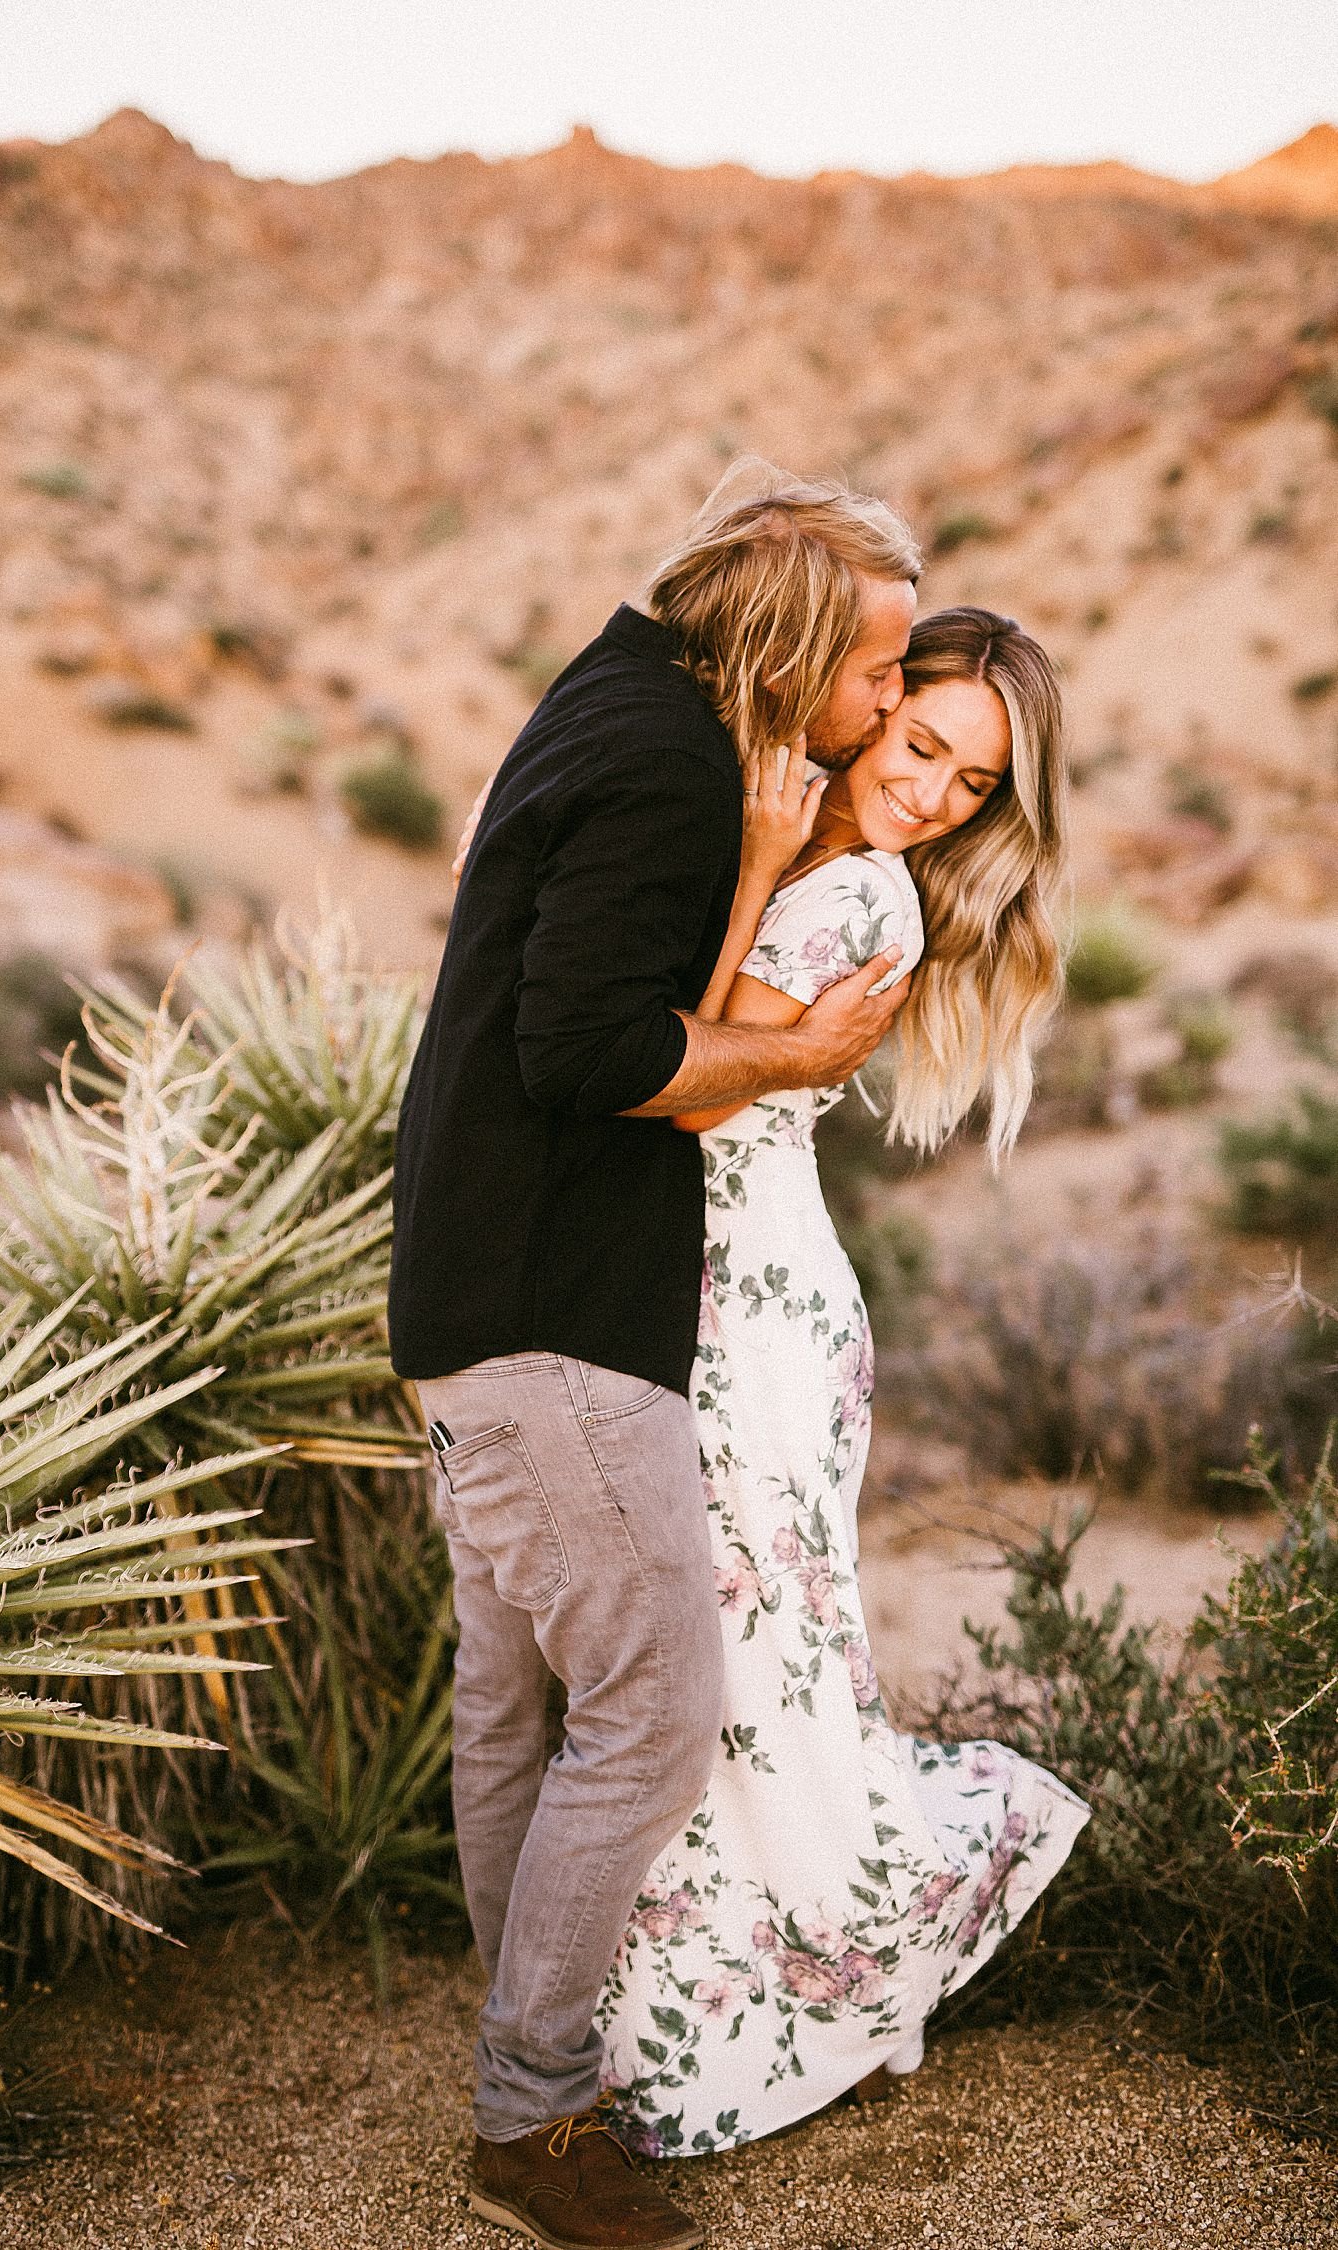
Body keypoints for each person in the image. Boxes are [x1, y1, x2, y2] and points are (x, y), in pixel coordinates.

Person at [389, 460, 923, 2250]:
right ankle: (534, 2114)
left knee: (508, 1698)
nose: (882, 711)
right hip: (553, 1314)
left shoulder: (605, 701)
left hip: (466, 1295)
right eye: (873, 673)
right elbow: (584, 1046)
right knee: (659, 1707)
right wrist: (789, 1054)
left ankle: (532, 2039)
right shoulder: (668, 758)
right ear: (786, 638)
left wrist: (766, 857)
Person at [596, 606, 1091, 2158]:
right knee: (734, 1650)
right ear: (874, 706)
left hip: (761, 1316)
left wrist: (755, 848)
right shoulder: (823, 852)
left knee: (758, 1656)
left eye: (971, 784)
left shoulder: (864, 893)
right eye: (922, 741)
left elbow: (690, 1068)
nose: (933, 794)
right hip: (718, 1296)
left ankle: (840, 1969)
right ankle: (732, 1992)